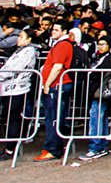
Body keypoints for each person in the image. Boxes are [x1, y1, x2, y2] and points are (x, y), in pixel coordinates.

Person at [34, 20, 75, 162]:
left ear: (64, 31)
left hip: (57, 84)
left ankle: (53, 149)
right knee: (54, 117)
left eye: (56, 30)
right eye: (53, 30)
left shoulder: (62, 45)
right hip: (58, 83)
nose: (53, 32)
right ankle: (54, 147)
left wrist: (47, 83)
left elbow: (57, 66)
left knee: (53, 118)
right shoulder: (62, 44)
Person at [0, 28, 39, 161]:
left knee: (12, 118)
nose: (18, 39)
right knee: (9, 116)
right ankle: (12, 143)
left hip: (16, 88)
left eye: (22, 37)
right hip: (9, 87)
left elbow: (13, 69)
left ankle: (11, 148)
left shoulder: (28, 51)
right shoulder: (20, 50)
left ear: (29, 40)